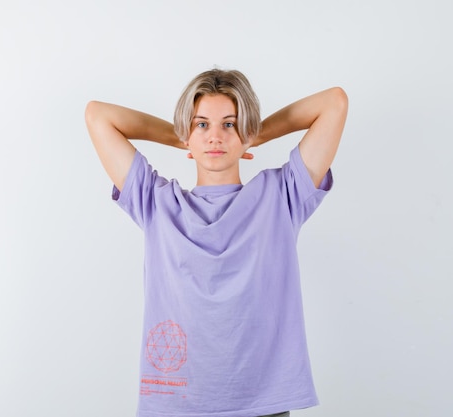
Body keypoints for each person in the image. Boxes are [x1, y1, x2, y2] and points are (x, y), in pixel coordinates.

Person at [84, 68, 348, 417]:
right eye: (202, 124)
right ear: (188, 138)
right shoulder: (157, 203)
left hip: (262, 404)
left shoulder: (282, 196)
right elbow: (97, 115)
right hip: (178, 405)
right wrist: (181, 133)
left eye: (229, 124)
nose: (215, 137)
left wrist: (254, 131)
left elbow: (334, 103)